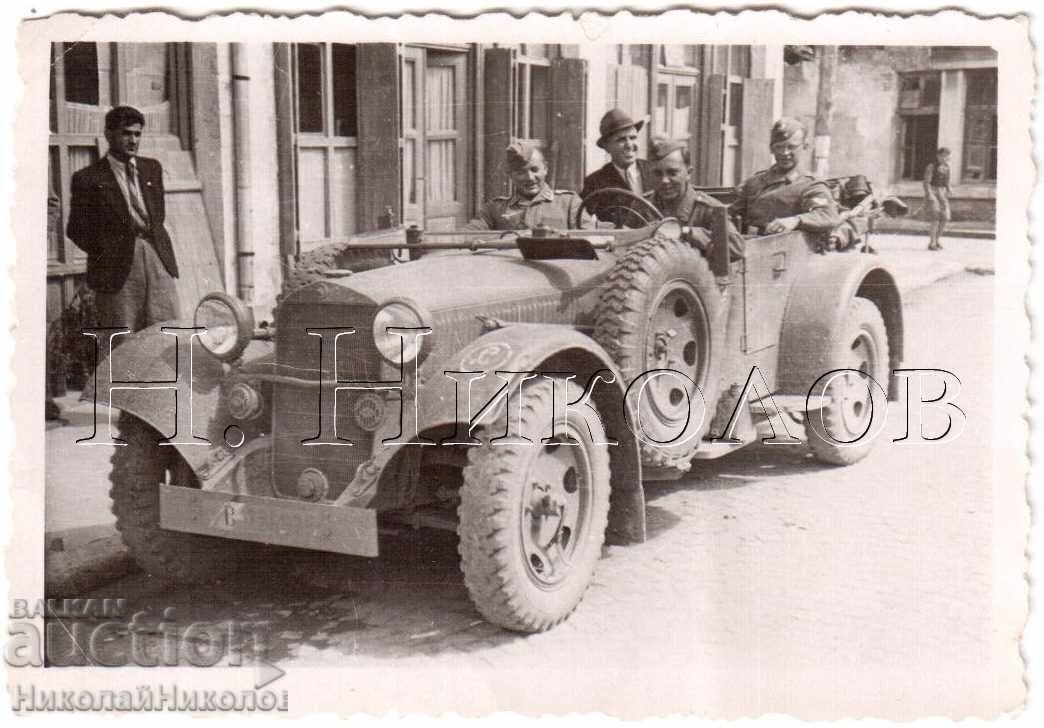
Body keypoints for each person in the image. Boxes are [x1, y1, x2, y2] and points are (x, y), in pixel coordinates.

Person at [67, 105, 181, 334]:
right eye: (126, 133)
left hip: (155, 254)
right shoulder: (88, 178)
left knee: (166, 327)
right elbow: (76, 230)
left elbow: (157, 214)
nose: (133, 140)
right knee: (122, 334)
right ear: (109, 135)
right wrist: (108, 249)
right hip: (116, 266)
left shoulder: (151, 169)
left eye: (137, 134)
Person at [732, 117, 841, 236]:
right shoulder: (754, 182)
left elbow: (827, 214)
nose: (784, 153)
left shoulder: (811, 185)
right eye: (779, 147)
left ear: (805, 146)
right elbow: (733, 214)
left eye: (791, 147)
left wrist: (796, 221)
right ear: (771, 149)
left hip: (783, 249)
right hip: (746, 245)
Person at [644, 138, 745, 260]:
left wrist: (686, 232)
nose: (664, 180)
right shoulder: (642, 206)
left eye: (672, 173)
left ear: (689, 173)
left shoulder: (709, 209)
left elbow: (737, 248)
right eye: (657, 173)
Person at [468, 141, 592, 230]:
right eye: (520, 172)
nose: (529, 178)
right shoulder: (494, 209)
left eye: (534, 169)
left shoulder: (569, 204)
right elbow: (467, 235)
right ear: (510, 174)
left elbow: (590, 238)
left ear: (545, 169)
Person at [580, 108, 655, 226]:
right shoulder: (595, 182)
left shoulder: (655, 171)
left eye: (633, 138)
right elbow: (582, 219)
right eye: (621, 139)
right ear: (606, 146)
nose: (629, 145)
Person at [923, 147, 952, 251]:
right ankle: (932, 243)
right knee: (935, 218)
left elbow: (947, 181)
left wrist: (949, 188)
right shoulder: (931, 166)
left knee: (945, 218)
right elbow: (926, 183)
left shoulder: (947, 167)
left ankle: (937, 240)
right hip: (933, 191)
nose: (945, 158)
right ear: (938, 156)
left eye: (947, 156)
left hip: (942, 193)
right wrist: (930, 195)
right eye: (943, 156)